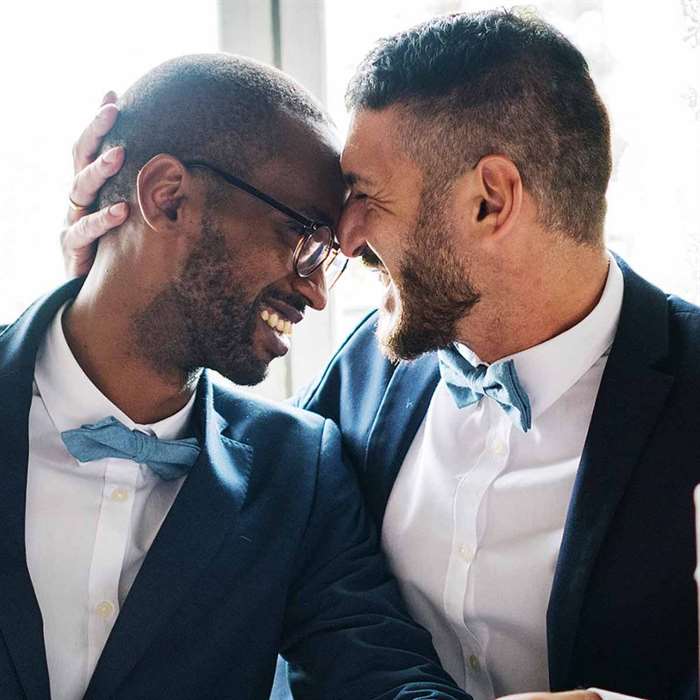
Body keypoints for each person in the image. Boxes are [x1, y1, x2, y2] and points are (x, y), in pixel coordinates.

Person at [62, 10, 700, 700]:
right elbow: (216, 515)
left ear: (490, 201)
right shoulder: (367, 368)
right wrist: (118, 284)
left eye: (364, 196)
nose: (344, 235)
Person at [1, 53, 471, 700]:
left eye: (328, 260)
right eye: (304, 238)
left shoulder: (301, 471)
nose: (316, 292)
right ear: (168, 199)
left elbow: (380, 677)